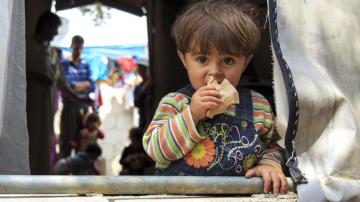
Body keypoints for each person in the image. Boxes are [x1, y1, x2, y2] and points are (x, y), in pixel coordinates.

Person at [142, 0, 287, 195]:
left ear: (245, 63)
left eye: (228, 60)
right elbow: (156, 151)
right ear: (184, 59)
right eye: (202, 59)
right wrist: (192, 114)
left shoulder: (258, 105)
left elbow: (273, 145)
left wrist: (269, 164)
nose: (215, 71)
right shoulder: (174, 103)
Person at [27, 11, 92, 174]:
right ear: (45, 25)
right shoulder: (26, 47)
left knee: (44, 144)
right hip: (28, 108)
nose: (56, 33)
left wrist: (81, 99)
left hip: (47, 111)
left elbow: (62, 84)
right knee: (28, 141)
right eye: (54, 28)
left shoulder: (53, 53)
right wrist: (36, 76)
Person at [60, 35, 95, 158]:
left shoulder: (86, 64)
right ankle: (63, 173)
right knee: (67, 142)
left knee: (82, 143)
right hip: (70, 108)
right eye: (76, 47)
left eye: (81, 48)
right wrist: (83, 85)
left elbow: (92, 85)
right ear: (71, 46)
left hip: (84, 109)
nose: (79, 50)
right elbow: (67, 85)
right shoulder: (65, 64)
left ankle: (79, 175)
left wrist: (77, 86)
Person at [134, 58, 153, 130]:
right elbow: (136, 103)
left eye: (143, 68)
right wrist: (144, 89)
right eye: (140, 68)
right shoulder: (139, 87)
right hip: (143, 120)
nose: (140, 71)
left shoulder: (153, 84)